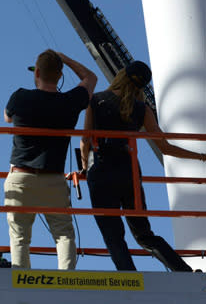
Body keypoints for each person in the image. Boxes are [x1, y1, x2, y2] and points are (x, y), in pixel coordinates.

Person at [80, 60, 206, 271]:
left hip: (101, 170)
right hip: (129, 172)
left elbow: (85, 140)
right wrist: (201, 157)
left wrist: (85, 166)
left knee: (113, 234)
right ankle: (183, 271)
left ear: (121, 75)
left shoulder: (97, 100)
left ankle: (129, 277)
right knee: (144, 234)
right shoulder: (141, 108)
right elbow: (164, 147)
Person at [4, 49, 97, 269]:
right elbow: (91, 78)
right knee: (63, 234)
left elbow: (7, 117)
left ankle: (22, 282)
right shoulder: (70, 102)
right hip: (54, 179)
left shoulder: (20, 96)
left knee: (19, 236)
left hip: (21, 177)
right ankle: (66, 283)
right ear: (60, 75)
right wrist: (64, 58)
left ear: (36, 72)